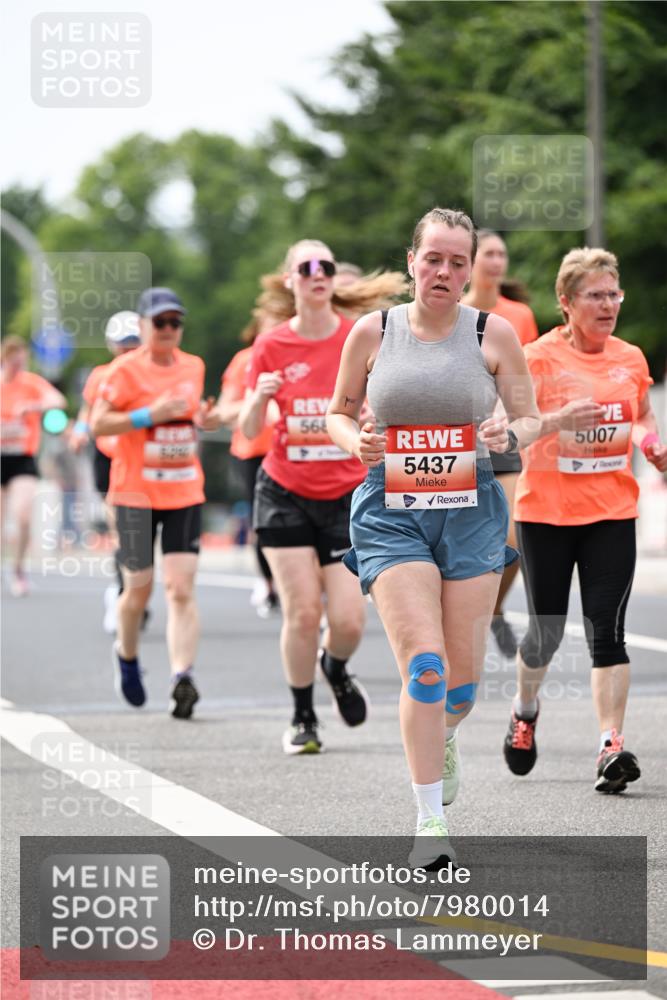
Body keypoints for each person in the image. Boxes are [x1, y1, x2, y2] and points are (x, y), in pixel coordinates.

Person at [326, 207, 540, 867]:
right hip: (390, 512)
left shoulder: (492, 332)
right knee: (424, 666)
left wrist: (510, 433)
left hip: (471, 509)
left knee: (462, 687)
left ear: (469, 268)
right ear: (412, 259)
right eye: (432, 258)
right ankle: (428, 827)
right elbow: (336, 413)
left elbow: (529, 419)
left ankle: (441, 733)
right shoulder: (372, 332)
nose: (443, 271)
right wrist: (353, 439)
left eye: (457, 261)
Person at [503, 247, 667, 793]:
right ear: (566, 302)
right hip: (545, 514)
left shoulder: (631, 358)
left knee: (608, 631)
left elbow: (639, 413)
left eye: (613, 294)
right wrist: (557, 420)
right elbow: (509, 429)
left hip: (612, 512)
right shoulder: (535, 358)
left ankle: (610, 746)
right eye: (595, 295)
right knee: (545, 634)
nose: (608, 305)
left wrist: (650, 441)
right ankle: (525, 711)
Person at [239, 241, 405, 755]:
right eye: (306, 268)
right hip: (284, 490)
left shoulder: (358, 337)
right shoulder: (269, 346)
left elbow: (381, 402)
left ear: (334, 279)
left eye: (325, 267)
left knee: (350, 621)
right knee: (303, 612)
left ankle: (335, 666)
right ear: (289, 279)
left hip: (346, 494)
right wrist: (260, 398)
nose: (317, 274)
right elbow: (248, 431)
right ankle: (302, 717)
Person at [90, 287, 214, 719]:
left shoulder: (194, 367)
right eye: (159, 323)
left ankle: (183, 676)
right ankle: (126, 656)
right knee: (138, 589)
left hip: (183, 492)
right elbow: (97, 423)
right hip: (134, 495)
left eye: (174, 323)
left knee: (180, 589)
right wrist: (148, 415)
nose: (167, 330)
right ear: (142, 326)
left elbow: (193, 416)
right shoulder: (124, 371)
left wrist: (205, 418)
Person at [463, 230, 539, 658]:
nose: (495, 261)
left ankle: (491, 609)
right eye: (487, 253)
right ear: (471, 261)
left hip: (503, 435)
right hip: (455, 442)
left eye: (501, 254)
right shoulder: (454, 311)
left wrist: (516, 418)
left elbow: (529, 376)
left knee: (513, 537)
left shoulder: (520, 316)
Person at [69, 311, 143, 633]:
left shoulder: (148, 374)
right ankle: (121, 593)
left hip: (143, 461)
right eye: (123, 344)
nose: (128, 350)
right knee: (122, 532)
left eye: (134, 343)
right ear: (112, 345)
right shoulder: (101, 374)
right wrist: (80, 430)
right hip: (109, 459)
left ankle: (135, 593)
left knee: (142, 536)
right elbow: (88, 408)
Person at [211, 313, 281, 618]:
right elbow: (223, 411)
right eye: (272, 323)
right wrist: (259, 401)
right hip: (254, 452)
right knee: (263, 523)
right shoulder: (245, 361)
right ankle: (268, 582)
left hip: (296, 451)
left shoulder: (302, 351)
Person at [1, 335, 66, 596]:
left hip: (22, 459)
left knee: (23, 514)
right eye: (13, 362)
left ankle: (17, 568)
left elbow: (58, 401)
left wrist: (33, 406)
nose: (18, 367)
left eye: (22, 362)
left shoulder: (30, 383)